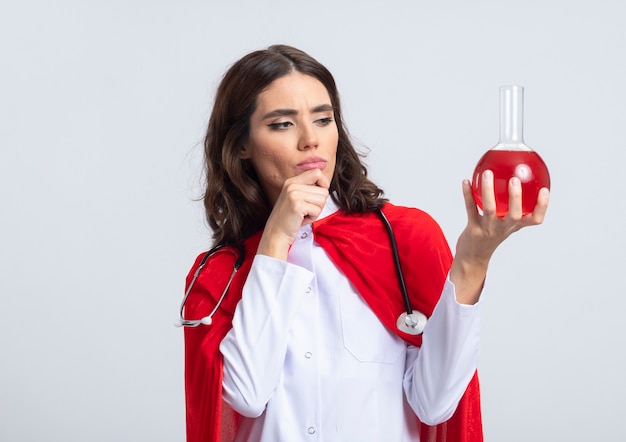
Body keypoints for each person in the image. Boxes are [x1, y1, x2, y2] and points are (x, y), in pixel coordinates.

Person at [181, 45, 549, 442]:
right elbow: (246, 396)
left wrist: (474, 260)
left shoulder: (402, 238)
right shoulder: (219, 275)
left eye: (323, 119)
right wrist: (276, 240)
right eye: (282, 124)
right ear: (241, 145)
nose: (310, 140)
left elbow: (436, 404)